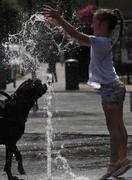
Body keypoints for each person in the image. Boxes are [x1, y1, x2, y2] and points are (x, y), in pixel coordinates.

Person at [43, 3, 131, 179]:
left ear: (103, 25)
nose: (91, 26)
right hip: (116, 87)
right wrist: (59, 26)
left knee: (113, 128)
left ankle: (113, 164)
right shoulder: (103, 42)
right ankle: (123, 160)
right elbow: (75, 38)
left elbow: (76, 35)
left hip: (109, 90)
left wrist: (60, 18)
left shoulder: (99, 41)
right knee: (120, 127)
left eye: (94, 23)